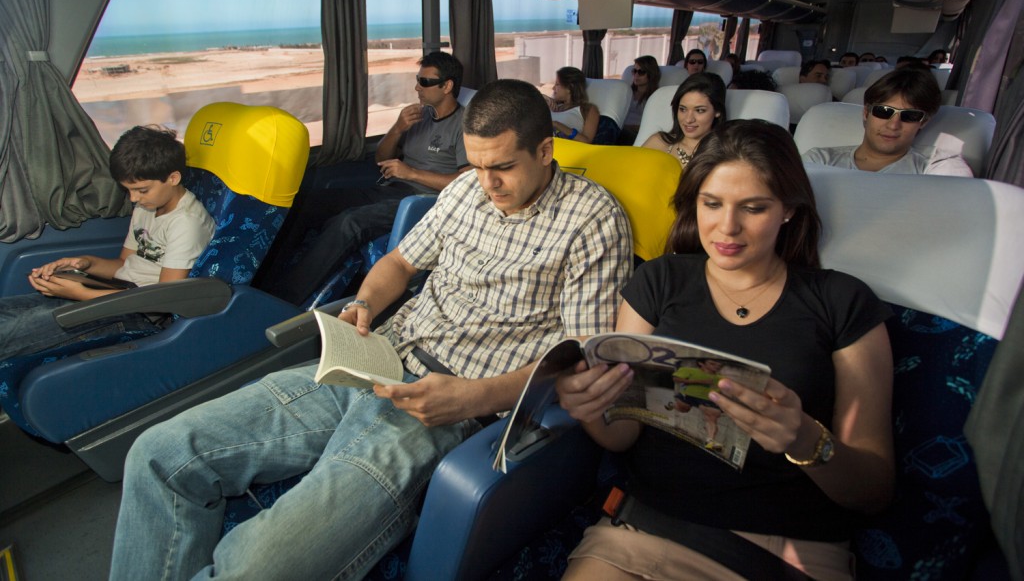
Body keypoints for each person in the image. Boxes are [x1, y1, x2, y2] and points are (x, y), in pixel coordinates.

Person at [109, 79, 634, 581]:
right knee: (161, 454)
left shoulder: (592, 220)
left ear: (545, 151)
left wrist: (471, 398)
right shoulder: (465, 193)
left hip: (444, 406)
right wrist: (363, 304)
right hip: (376, 360)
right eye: (475, 167)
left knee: (260, 563)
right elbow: (400, 264)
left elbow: (577, 356)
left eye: (502, 168)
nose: (487, 184)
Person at [557, 121, 894, 581]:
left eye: (753, 208)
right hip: (645, 531)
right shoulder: (658, 282)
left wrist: (804, 439)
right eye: (711, 204)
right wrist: (592, 409)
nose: (727, 227)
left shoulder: (841, 302)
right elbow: (624, 436)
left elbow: (872, 490)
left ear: (789, 210)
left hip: (787, 550)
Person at [260, 52, 470, 305]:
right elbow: (381, 158)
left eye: (424, 82)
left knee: (350, 222)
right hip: (390, 188)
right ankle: (263, 280)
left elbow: (466, 183)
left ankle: (284, 300)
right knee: (307, 203)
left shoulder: (464, 124)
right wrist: (398, 128)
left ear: (447, 86)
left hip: (422, 201)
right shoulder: (419, 116)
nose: (417, 87)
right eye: (417, 79)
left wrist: (411, 172)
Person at [0, 125, 215, 362]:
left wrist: (81, 294)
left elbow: (164, 301)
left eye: (141, 190)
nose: (134, 199)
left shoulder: (186, 223)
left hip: (138, 314)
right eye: (128, 190)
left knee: (8, 334)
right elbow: (124, 263)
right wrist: (84, 264)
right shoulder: (147, 206)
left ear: (173, 178)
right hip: (116, 295)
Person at [802, 67, 973, 176]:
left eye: (909, 116)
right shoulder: (819, 160)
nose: (893, 125)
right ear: (866, 113)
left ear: (923, 122)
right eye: (883, 112)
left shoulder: (935, 167)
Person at [642, 73, 726, 169]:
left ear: (717, 111)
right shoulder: (659, 142)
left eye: (699, 110)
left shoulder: (724, 154)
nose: (688, 119)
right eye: (683, 109)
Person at [545, 66, 601, 143]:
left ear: (569, 88)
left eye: (557, 84)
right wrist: (543, 97)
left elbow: (587, 141)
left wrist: (557, 124)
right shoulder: (552, 106)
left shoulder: (588, 109)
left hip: (563, 151)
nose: (553, 88)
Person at [623, 55, 661, 137]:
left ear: (651, 74)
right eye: (634, 71)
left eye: (641, 72)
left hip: (637, 134)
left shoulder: (656, 97)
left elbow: (653, 125)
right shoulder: (626, 92)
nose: (636, 75)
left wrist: (626, 127)